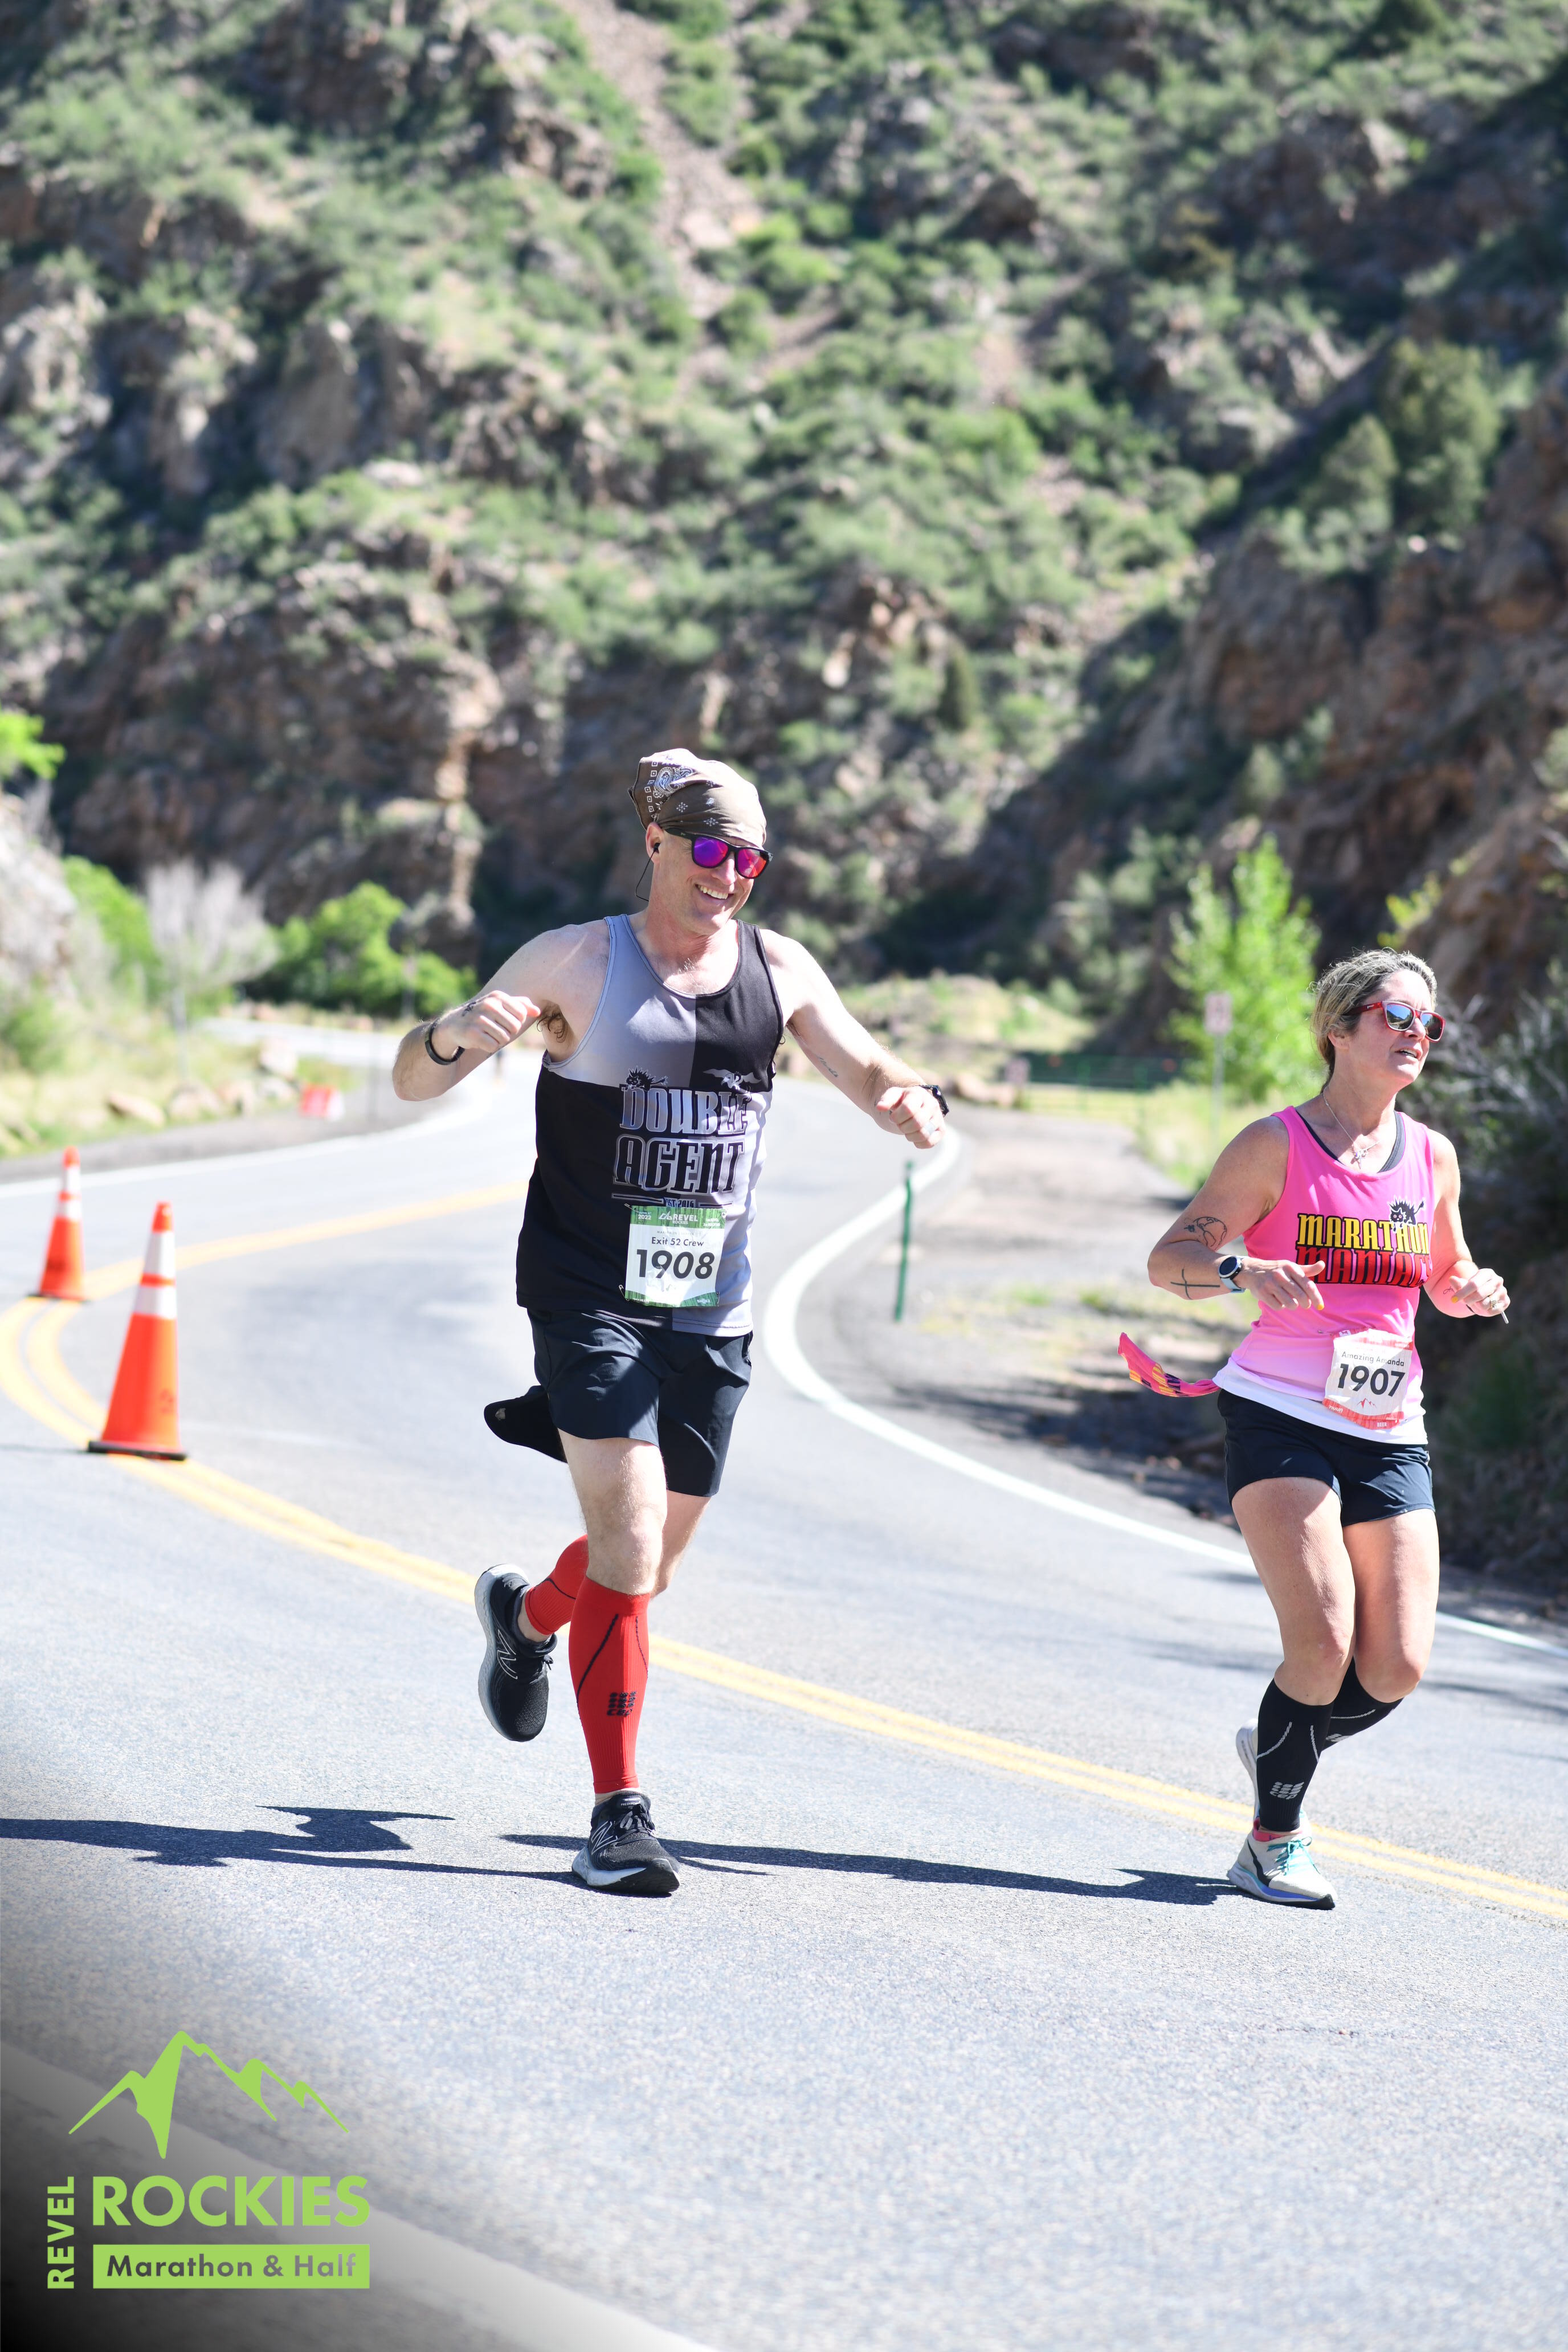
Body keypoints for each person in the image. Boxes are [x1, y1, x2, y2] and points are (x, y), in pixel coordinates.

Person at [393, 750, 947, 1897]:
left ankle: (526, 1619)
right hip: (588, 1292)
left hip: (711, 1307)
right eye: (708, 851)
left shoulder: (778, 969)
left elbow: (865, 1064)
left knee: (641, 1565)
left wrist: (906, 1095)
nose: (728, 875)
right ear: (654, 842)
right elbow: (412, 1080)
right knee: (632, 1537)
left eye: (749, 859)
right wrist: (456, 1034)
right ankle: (618, 1817)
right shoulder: (576, 961)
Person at [1145, 949, 1509, 1908]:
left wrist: (1469, 1288)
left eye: (1430, 1023)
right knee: (1322, 1641)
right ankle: (1274, 1838)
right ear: (1339, 1029)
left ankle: (1280, 1741)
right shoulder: (1275, 1145)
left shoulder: (1431, 1156)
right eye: (1397, 1015)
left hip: (1388, 1421)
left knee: (1397, 1665)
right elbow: (1169, 1259)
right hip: (1280, 1410)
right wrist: (1241, 1270)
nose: (1417, 1035)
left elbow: (1444, 1270)